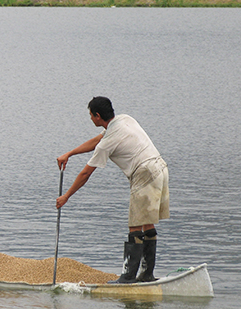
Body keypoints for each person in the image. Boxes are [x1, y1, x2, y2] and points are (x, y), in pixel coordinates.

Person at [56, 96, 169, 283]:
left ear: (98, 116)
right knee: (147, 223)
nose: (90, 119)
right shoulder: (124, 119)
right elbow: (97, 140)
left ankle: (128, 277)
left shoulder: (107, 142)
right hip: (160, 168)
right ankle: (146, 274)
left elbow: (85, 173)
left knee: (135, 225)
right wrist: (70, 153)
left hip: (144, 172)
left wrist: (66, 196)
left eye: (91, 115)